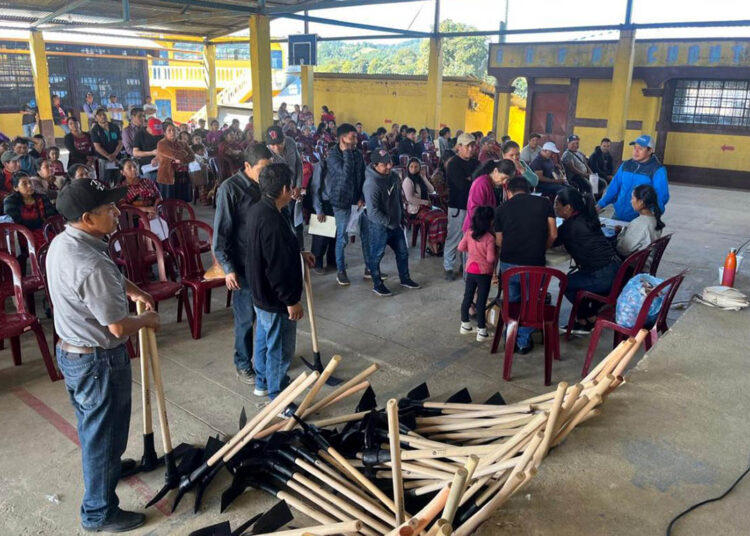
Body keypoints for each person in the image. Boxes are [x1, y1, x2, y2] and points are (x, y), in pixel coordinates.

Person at [47, 178, 160, 533]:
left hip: (73, 353)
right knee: (103, 435)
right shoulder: (89, 263)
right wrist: (147, 320)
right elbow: (118, 327)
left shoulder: (66, 242)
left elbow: (107, 277)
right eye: (108, 208)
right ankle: (99, 513)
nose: (117, 212)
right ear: (87, 217)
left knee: (95, 430)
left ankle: (108, 466)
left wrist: (134, 290)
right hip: (98, 362)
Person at [244, 163, 315, 401]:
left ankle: (263, 382)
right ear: (285, 189)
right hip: (276, 299)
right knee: (280, 349)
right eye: (292, 186)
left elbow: (271, 252)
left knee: (264, 340)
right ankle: (278, 397)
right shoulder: (272, 220)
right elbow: (277, 267)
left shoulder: (259, 210)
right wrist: (291, 300)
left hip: (261, 294)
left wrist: (299, 254)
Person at [213, 144, 272, 387]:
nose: (267, 174)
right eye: (262, 169)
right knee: (246, 318)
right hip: (243, 264)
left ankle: (266, 361)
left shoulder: (267, 184)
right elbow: (221, 234)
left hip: (266, 262)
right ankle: (243, 363)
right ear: (247, 166)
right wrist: (228, 269)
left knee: (268, 315)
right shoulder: (230, 189)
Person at [494, 177, 558, 353]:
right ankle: (523, 340)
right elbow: (553, 234)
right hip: (534, 263)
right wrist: (541, 248)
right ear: (529, 190)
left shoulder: (501, 209)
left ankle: (510, 334)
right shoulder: (544, 203)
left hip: (509, 265)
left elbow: (499, 242)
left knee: (512, 299)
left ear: (509, 192)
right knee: (530, 301)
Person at [554, 187, 621, 334]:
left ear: (568, 207)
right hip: (615, 268)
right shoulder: (587, 217)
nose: (555, 208)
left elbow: (552, 241)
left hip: (602, 276)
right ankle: (589, 316)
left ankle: (584, 320)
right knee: (575, 280)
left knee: (565, 283)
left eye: (557, 204)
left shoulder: (568, 227)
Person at [363, 148, 420, 297]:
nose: (389, 166)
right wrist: (389, 221)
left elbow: (398, 198)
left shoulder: (393, 177)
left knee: (403, 252)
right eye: (384, 164)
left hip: (395, 223)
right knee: (376, 256)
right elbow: (373, 212)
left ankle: (405, 279)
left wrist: (401, 215)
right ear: (375, 165)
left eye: (389, 162)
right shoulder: (371, 184)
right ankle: (377, 284)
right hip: (379, 226)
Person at [325, 123, 370, 286]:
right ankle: (341, 271)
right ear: (342, 139)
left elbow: (363, 177)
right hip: (341, 202)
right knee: (342, 238)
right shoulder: (333, 156)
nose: (356, 140)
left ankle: (370, 268)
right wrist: (346, 153)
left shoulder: (357, 154)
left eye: (356, 137)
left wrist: (362, 197)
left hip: (357, 202)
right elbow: (345, 175)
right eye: (353, 137)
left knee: (366, 234)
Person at [597, 134, 669, 222]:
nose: (636, 151)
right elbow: (613, 188)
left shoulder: (657, 170)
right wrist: (600, 205)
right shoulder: (626, 165)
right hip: (618, 214)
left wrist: (652, 216)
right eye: (635, 148)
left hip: (639, 218)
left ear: (650, 151)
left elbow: (661, 197)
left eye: (640, 149)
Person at [444, 132, 479, 280]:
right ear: (459, 147)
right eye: (467, 146)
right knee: (454, 237)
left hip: (473, 207)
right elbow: (462, 185)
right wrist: (471, 180)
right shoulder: (453, 164)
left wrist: (470, 180)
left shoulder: (476, 163)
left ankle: (465, 266)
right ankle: (448, 267)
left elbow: (480, 181)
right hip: (458, 206)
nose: (471, 149)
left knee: (470, 238)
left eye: (472, 145)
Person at [458, 206, 497, 341]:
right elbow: (490, 259)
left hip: (470, 270)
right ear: (489, 221)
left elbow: (461, 247)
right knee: (481, 301)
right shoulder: (489, 238)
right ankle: (482, 331)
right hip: (484, 273)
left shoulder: (469, 232)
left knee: (467, 297)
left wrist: (473, 251)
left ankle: (465, 325)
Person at [266, 125, 304, 249]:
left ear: (284, 138)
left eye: (279, 143)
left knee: (297, 222)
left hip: (294, 191)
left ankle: (300, 249)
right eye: (272, 145)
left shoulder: (291, 142)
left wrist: (298, 186)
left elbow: (298, 164)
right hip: (279, 195)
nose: (276, 147)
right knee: (283, 224)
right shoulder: (266, 153)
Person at [403, 157, 447, 255]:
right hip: (415, 210)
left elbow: (432, 190)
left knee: (443, 215)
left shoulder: (420, 179)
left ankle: (438, 243)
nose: (414, 169)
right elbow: (410, 198)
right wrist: (425, 202)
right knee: (435, 219)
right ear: (408, 168)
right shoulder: (407, 181)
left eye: (416, 167)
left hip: (425, 208)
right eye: (411, 167)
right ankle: (433, 247)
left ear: (420, 168)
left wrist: (424, 177)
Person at [3, 171, 57, 247]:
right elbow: (16, 224)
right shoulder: (10, 202)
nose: (29, 185)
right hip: (24, 235)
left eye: (30, 182)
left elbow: (51, 217)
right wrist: (39, 223)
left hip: (45, 232)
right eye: (24, 184)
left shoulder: (42, 197)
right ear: (16, 188)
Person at [463, 159, 515, 232]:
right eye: (503, 178)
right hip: (477, 229)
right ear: (495, 171)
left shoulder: (502, 185)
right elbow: (475, 210)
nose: (504, 182)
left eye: (507, 179)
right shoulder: (480, 183)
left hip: (491, 227)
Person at [615, 184, 664, 259]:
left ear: (641, 202)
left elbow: (622, 250)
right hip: (646, 261)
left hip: (634, 264)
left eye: (632, 198)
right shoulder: (654, 219)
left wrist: (621, 234)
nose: (631, 201)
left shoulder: (640, 223)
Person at [309, 157, 336, 274]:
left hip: (337, 204)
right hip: (324, 204)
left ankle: (332, 262)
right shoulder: (322, 165)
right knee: (321, 238)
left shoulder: (343, 163)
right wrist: (318, 209)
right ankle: (317, 263)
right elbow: (315, 188)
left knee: (335, 237)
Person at [156, 123, 193, 201]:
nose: (172, 132)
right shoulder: (161, 143)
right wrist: (184, 153)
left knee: (182, 201)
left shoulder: (183, 143)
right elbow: (174, 155)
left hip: (182, 174)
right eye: (169, 130)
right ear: (164, 133)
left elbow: (192, 156)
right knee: (169, 202)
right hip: (167, 176)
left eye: (174, 130)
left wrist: (181, 160)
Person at [89, 107, 123, 187]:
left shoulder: (114, 127)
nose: (103, 116)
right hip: (104, 160)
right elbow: (97, 147)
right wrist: (108, 156)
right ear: (96, 118)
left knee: (119, 181)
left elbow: (120, 143)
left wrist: (114, 155)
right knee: (105, 182)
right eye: (99, 115)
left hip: (117, 158)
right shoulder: (95, 130)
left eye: (103, 114)